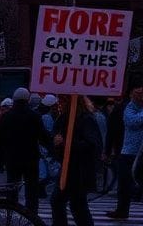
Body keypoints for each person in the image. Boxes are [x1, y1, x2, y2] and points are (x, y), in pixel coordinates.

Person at [0, 87, 50, 215]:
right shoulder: (34, 116)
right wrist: (54, 150)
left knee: (12, 187)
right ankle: (31, 215)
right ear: (27, 99)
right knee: (31, 189)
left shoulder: (6, 116)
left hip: (12, 158)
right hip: (31, 157)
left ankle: (11, 212)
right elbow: (43, 136)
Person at [51, 95, 102, 226]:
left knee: (74, 204)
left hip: (79, 170)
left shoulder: (85, 119)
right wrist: (56, 142)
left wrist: (66, 143)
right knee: (71, 204)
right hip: (68, 168)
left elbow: (92, 144)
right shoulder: (64, 118)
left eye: (62, 100)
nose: (59, 103)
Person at [107, 79, 143, 221]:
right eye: (138, 93)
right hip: (129, 152)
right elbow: (131, 122)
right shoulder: (129, 108)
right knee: (124, 184)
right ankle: (122, 211)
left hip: (141, 153)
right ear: (131, 94)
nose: (140, 96)